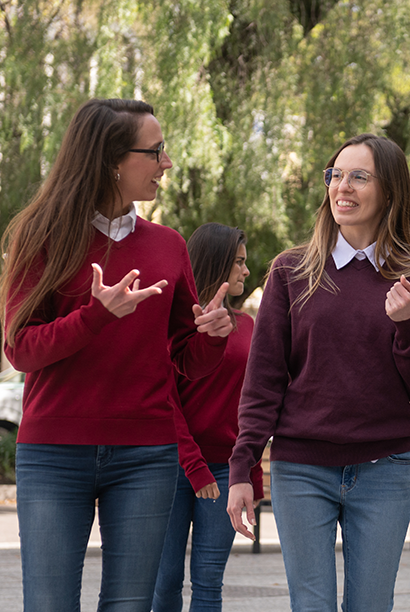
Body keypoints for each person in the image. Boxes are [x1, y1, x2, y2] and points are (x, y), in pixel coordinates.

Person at [0, 98, 233, 611]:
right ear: (112, 161)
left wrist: (213, 337)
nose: (167, 162)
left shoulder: (169, 246)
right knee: (49, 604)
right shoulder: (41, 236)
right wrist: (95, 316)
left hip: (147, 454)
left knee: (129, 605)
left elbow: (186, 359)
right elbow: (21, 349)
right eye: (155, 151)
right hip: (54, 453)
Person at [225, 133, 410, 612]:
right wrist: (243, 466)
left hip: (384, 470)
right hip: (301, 469)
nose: (342, 187)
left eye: (359, 176)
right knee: (312, 606)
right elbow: (263, 381)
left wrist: (408, 326)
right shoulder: (290, 271)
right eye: (336, 175)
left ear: (390, 190)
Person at [152, 223, 264, 612]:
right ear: (217, 264)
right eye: (239, 262)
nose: (246, 270)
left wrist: (249, 472)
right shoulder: (174, 324)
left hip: (224, 470)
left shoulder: (247, 327)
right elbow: (166, 401)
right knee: (164, 580)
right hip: (171, 465)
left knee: (209, 580)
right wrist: (194, 465)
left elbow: (251, 402)